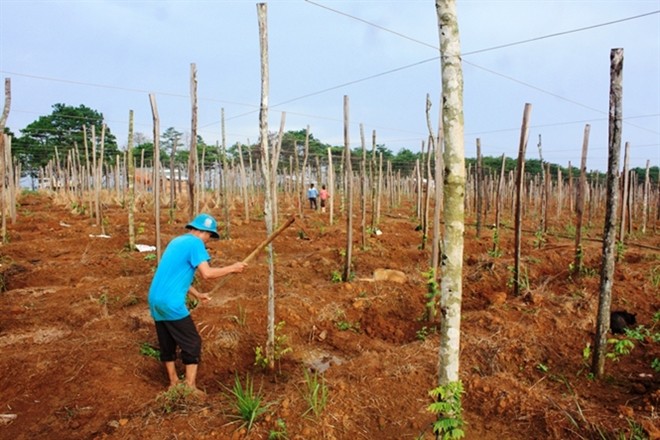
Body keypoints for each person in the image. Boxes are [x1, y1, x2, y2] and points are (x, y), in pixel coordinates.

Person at [148, 213, 247, 395]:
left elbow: (176, 276)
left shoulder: (177, 241)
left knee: (167, 342)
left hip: (155, 299)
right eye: (210, 236)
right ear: (203, 232)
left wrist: (197, 294)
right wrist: (233, 268)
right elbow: (207, 274)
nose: (209, 240)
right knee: (193, 342)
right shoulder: (196, 244)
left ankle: (173, 382)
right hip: (171, 302)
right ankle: (190, 386)